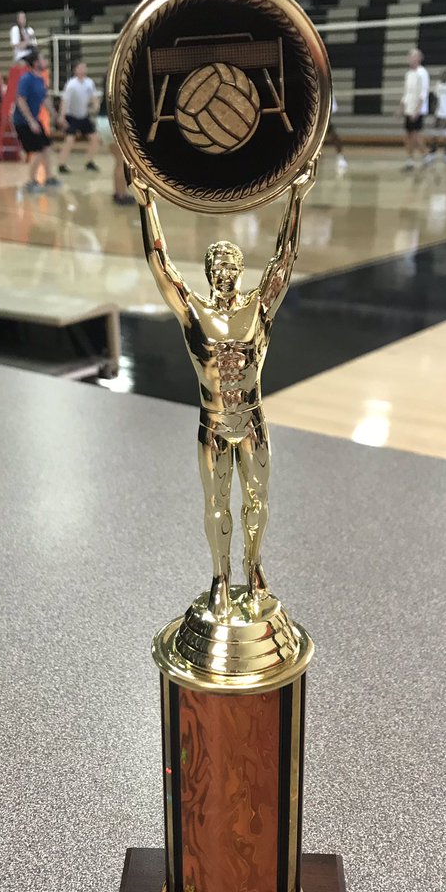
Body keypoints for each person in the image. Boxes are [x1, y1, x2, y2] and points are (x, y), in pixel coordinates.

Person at [129, 158, 318, 617]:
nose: (224, 269)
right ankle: (220, 578)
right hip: (212, 421)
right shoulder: (194, 314)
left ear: (240, 268)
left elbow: (284, 260)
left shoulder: (259, 311)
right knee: (216, 505)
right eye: (216, 263)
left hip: (252, 420)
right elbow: (161, 262)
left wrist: (296, 197)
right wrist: (146, 203)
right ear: (209, 272)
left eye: (230, 261)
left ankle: (254, 572)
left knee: (258, 500)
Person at [12, 51, 60, 193]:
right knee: (38, 151)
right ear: (35, 63)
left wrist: (55, 115)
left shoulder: (40, 80)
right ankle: (30, 182)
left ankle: (49, 177)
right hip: (23, 121)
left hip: (34, 120)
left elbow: (45, 99)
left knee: (46, 148)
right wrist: (31, 121)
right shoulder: (26, 79)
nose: (46, 61)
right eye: (43, 58)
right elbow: (20, 101)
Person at [58, 61, 101, 174]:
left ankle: (89, 162)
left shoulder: (89, 82)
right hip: (72, 116)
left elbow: (93, 97)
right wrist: (62, 117)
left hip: (84, 116)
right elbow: (65, 101)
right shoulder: (71, 84)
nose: (83, 69)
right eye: (80, 67)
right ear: (75, 70)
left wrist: (96, 106)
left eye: (84, 67)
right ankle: (61, 165)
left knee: (95, 139)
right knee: (69, 140)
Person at [399, 48, 429, 170]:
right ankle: (410, 160)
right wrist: (401, 107)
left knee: (416, 136)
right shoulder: (408, 74)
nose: (409, 59)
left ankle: (426, 156)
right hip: (408, 109)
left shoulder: (422, 73)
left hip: (418, 110)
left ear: (418, 59)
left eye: (412, 57)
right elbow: (407, 93)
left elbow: (423, 93)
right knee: (408, 136)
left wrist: (417, 110)